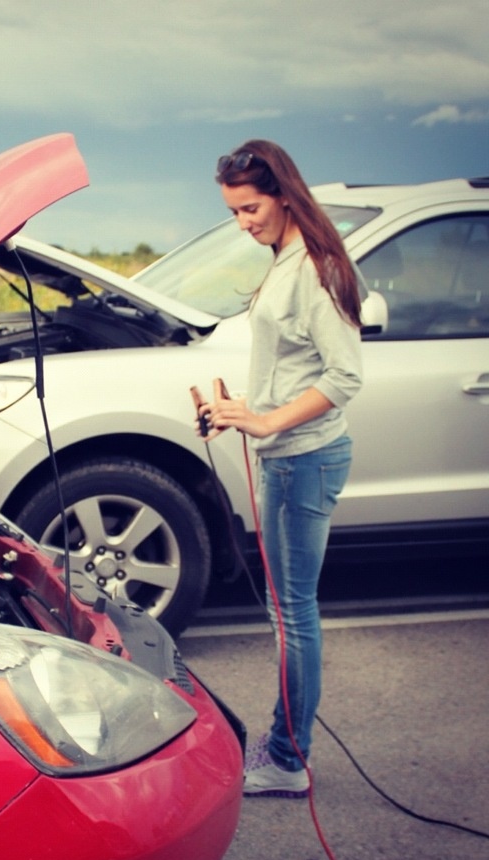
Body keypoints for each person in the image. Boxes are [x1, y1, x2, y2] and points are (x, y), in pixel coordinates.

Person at [198, 140, 364, 799]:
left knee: (294, 613)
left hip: (302, 461)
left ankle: (289, 759)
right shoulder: (287, 260)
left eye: (251, 208)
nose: (244, 222)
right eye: (234, 212)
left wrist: (266, 422)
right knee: (287, 607)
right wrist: (241, 408)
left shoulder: (314, 270)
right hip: (289, 456)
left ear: (285, 195)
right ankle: (286, 744)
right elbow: (291, 366)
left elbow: (346, 375)